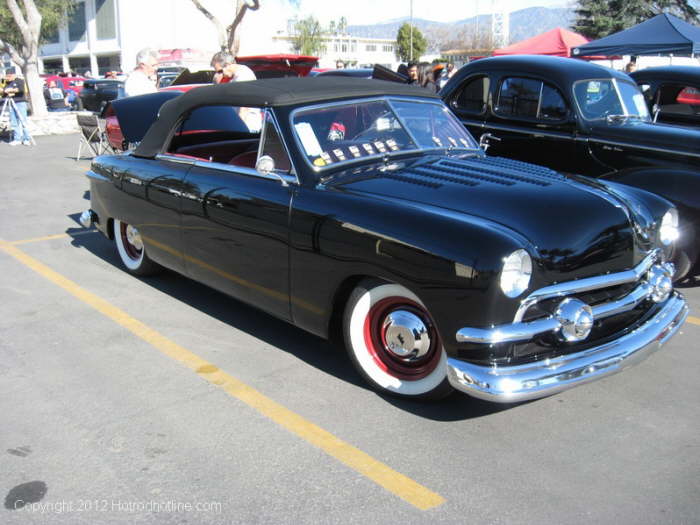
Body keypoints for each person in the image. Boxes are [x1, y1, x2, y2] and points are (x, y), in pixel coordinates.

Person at [2, 68, 32, 146]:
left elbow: (21, 90)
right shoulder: (7, 82)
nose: (8, 78)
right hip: (11, 102)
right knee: (14, 122)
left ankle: (26, 138)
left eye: (9, 76)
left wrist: (11, 90)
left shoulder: (20, 80)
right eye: (7, 76)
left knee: (23, 120)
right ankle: (17, 138)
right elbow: (4, 92)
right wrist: (4, 91)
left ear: (13, 75)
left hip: (20, 102)